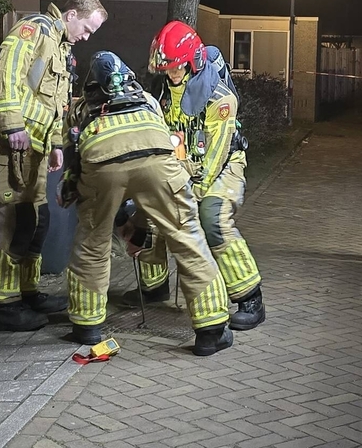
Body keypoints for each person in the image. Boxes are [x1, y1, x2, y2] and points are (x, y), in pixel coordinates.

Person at [59, 51, 233, 356]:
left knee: (92, 243)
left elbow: (73, 151)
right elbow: (157, 150)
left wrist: (75, 190)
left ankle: (87, 327)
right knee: (187, 237)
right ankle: (211, 331)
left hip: (101, 162)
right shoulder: (148, 98)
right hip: (157, 156)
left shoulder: (81, 106)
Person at [121, 20, 265, 330]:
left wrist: (186, 195)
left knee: (212, 218)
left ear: (194, 62)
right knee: (148, 208)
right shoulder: (161, 91)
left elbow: (214, 159)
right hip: (181, 164)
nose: (171, 74)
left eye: (177, 68)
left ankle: (250, 297)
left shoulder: (220, 98)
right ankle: (154, 286)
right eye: (167, 68)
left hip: (222, 165)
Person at [0, 0, 107, 331]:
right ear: (71, 15)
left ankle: (26, 292)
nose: (86, 36)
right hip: (10, 145)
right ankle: (3, 304)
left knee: (37, 221)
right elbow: (4, 71)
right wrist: (13, 125)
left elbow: (54, 106)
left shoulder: (61, 48)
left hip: (34, 151)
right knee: (11, 224)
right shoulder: (34, 29)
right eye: (87, 28)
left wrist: (55, 145)